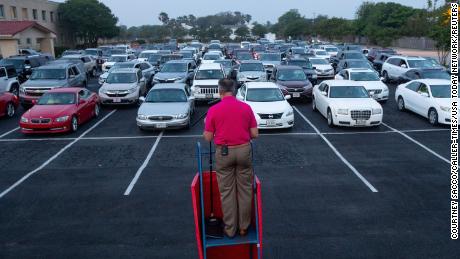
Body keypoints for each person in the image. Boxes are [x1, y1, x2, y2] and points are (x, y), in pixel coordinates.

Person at [203, 78, 259, 238]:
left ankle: (230, 229)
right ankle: (243, 227)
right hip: (243, 151)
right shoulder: (246, 107)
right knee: (245, 190)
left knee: (227, 192)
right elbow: (255, 134)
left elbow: (207, 138)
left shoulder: (213, 110)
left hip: (224, 153)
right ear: (234, 91)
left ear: (220, 91)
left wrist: (208, 124)